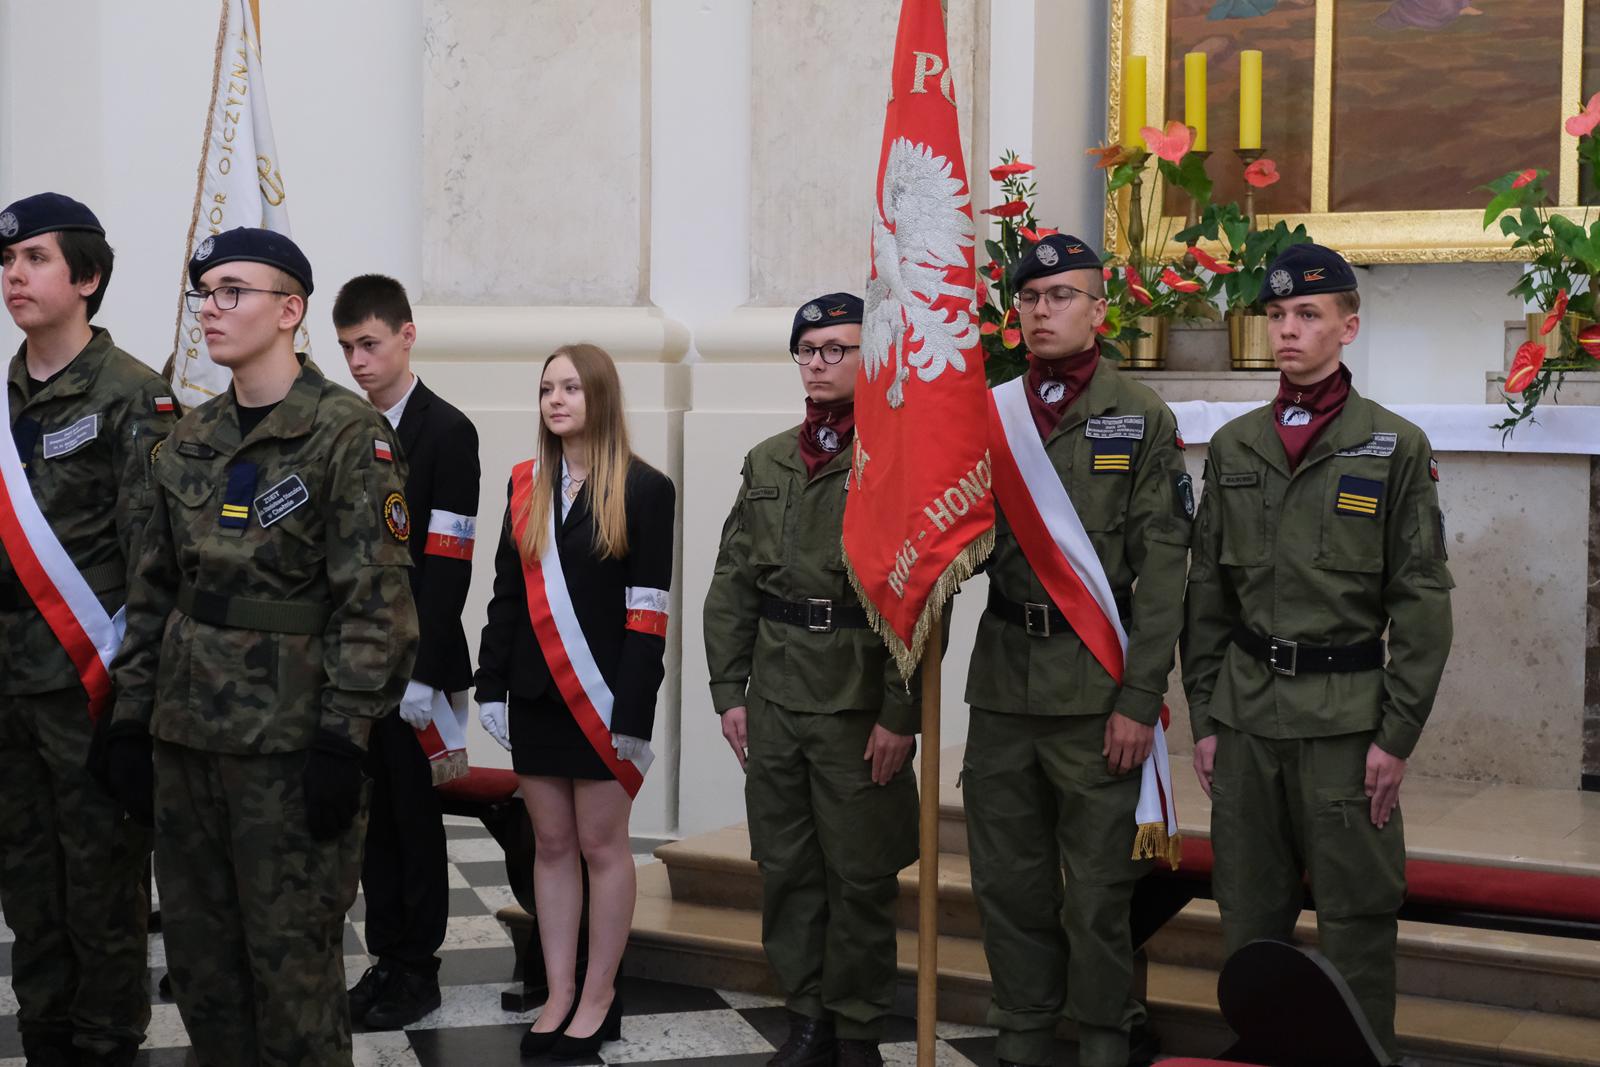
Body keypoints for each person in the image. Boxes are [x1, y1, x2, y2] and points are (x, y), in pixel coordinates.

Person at [101, 227, 419, 1067]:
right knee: (203, 972)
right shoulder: (190, 436)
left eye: (233, 291)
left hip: (288, 751)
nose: (210, 308)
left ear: (289, 310)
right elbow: (152, 591)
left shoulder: (346, 434)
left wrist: (343, 740)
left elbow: (376, 604)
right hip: (185, 742)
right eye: (205, 292)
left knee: (293, 978)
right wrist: (131, 718)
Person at [1182, 242, 1453, 1064]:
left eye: (1307, 313)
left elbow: (1422, 604)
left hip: (1344, 726)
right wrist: (1206, 718)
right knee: (1248, 918)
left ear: (1348, 326)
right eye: (1276, 314)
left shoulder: (1392, 445)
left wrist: (1395, 737)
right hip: (1246, 722)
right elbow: (1207, 598)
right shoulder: (1235, 446)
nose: (1288, 330)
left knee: (1356, 920)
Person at [965, 235, 1192, 1067]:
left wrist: (1140, 699)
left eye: (1061, 296)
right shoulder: (989, 414)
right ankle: (1022, 1036)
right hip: (1003, 684)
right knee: (1008, 881)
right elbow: (961, 542)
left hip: (1098, 687)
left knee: (1098, 891)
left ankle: (1104, 1038)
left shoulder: (1142, 416)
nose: (1042, 311)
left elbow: (1163, 575)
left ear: (1099, 309)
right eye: (1029, 298)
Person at [703, 293, 919, 1067]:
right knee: (788, 869)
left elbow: (919, 599)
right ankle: (808, 1017)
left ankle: (856, 1027)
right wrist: (728, 691)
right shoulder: (767, 461)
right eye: (809, 349)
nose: (820, 363)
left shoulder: (896, 460)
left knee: (859, 876)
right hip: (777, 695)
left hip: (857, 702)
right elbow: (732, 583)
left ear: (871, 358)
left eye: (837, 349)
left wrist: (901, 712)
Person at [0, 192, 176, 1067]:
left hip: (90, 689)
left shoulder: (134, 395)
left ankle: (107, 1043)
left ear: (88, 277)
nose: (14, 275)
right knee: (28, 886)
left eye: (35, 258)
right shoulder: (2, 399)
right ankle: (45, 1037)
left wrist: (134, 707)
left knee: (103, 886)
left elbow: (155, 565)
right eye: (7, 261)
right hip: (10, 692)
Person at [475, 343, 675, 1059]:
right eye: (546, 389)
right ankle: (559, 992)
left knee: (601, 847)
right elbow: (506, 596)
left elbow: (648, 613)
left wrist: (634, 710)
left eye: (570, 388)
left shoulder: (645, 489)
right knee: (552, 846)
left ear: (600, 397)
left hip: (603, 701)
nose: (555, 400)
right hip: (535, 695)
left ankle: (598, 995)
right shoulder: (524, 484)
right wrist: (489, 684)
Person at [334, 274, 481, 1030]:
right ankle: (385, 959)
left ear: (406, 335)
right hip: (357, 662)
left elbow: (449, 561)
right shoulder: (343, 428)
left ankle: (417, 968)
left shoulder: (447, 431)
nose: (358, 361)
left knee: (416, 822)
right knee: (374, 822)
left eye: (370, 343)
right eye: (347, 348)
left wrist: (421, 670)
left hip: (419, 664)